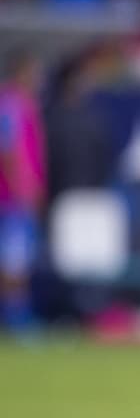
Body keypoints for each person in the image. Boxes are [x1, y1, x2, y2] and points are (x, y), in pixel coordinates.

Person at [0, 51, 46, 334]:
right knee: (13, 259)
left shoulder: (25, 105)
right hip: (10, 198)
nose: (39, 79)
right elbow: (8, 150)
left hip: (18, 196)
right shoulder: (10, 105)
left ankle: (17, 314)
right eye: (35, 73)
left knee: (18, 258)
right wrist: (21, 189)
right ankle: (15, 317)